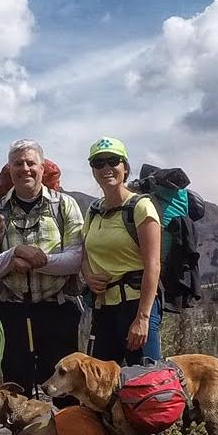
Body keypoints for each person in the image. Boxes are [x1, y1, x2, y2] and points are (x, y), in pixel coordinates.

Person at [0, 139, 84, 402]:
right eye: (18, 164)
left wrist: (38, 259)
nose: (25, 169)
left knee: (65, 387)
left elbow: (76, 259)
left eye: (31, 163)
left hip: (58, 310)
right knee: (16, 388)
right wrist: (13, 255)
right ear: (9, 169)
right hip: (11, 312)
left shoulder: (65, 205)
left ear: (42, 168)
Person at [82, 137, 162, 366]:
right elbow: (85, 251)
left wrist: (143, 319)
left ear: (124, 167)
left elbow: (153, 265)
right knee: (101, 387)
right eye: (98, 163)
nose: (106, 168)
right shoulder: (94, 210)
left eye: (113, 161)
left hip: (136, 305)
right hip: (104, 307)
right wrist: (88, 277)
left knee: (147, 381)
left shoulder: (141, 207)